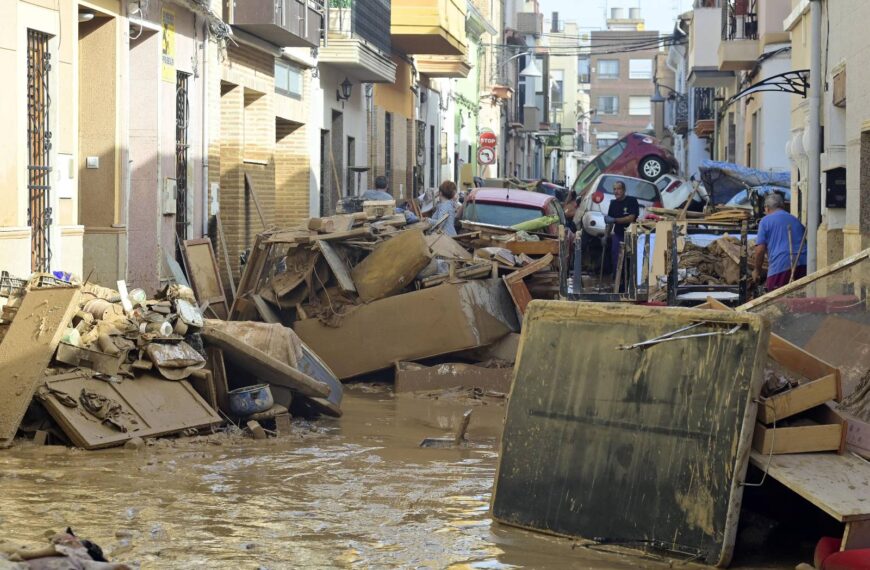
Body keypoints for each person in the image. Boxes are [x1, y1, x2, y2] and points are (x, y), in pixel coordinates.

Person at [753, 192, 807, 291]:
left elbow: (760, 250)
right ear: (782, 206)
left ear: (767, 208)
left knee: (776, 300)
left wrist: (757, 270)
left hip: (781, 265)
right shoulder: (795, 220)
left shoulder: (765, 221)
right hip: (803, 264)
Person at [603, 180, 639, 273]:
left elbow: (631, 218)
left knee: (630, 258)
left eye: (618, 189)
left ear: (624, 190)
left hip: (631, 234)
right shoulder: (613, 204)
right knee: (615, 256)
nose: (616, 191)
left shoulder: (632, 201)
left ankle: (630, 280)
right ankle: (617, 279)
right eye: (614, 189)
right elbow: (610, 222)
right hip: (618, 234)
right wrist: (606, 235)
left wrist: (615, 220)